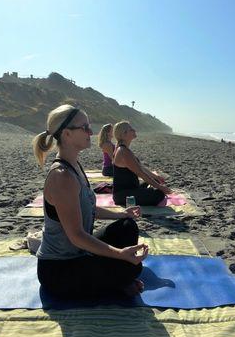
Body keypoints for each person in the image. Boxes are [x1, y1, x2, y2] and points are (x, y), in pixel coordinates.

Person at [32, 105, 148, 299]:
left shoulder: (75, 165)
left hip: (79, 253)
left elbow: (89, 207)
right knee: (130, 268)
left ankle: (116, 280)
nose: (91, 132)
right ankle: (118, 282)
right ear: (67, 134)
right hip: (59, 268)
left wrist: (122, 213)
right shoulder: (62, 177)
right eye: (84, 128)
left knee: (127, 226)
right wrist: (119, 254)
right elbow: (77, 236)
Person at [113, 121, 171, 206]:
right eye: (131, 129)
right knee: (159, 194)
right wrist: (160, 187)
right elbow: (140, 173)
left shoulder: (124, 149)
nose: (134, 130)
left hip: (132, 189)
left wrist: (156, 177)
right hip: (124, 195)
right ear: (124, 134)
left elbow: (141, 167)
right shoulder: (123, 151)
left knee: (156, 180)